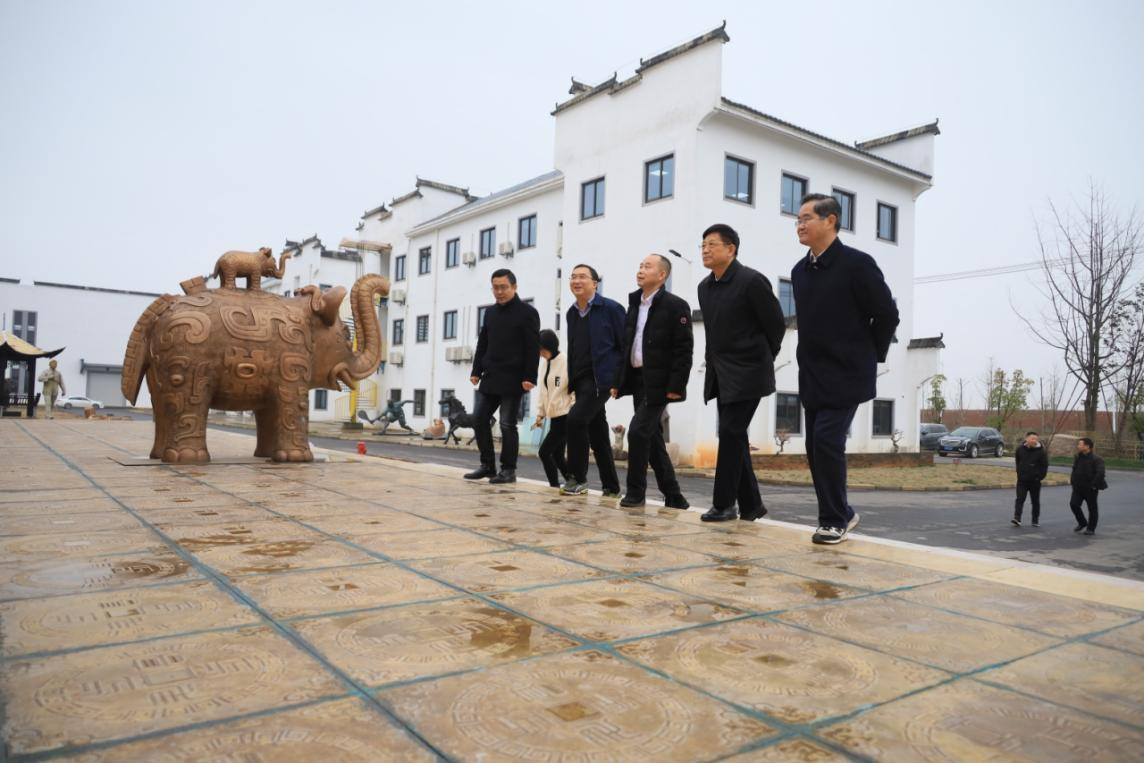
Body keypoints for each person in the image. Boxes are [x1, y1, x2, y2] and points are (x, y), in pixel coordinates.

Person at [791, 193, 899, 544]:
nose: (800, 225)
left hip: (847, 372)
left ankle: (833, 519)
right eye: (798, 219)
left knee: (827, 441)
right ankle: (843, 513)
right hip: (813, 373)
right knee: (815, 447)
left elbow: (886, 314)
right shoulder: (799, 271)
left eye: (807, 218)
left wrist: (870, 354)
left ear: (831, 220)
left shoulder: (857, 264)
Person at [697, 224, 786, 522]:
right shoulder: (704, 287)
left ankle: (724, 504)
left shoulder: (751, 281)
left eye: (712, 244)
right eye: (703, 245)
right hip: (721, 373)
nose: (705, 250)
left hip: (749, 371)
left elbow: (775, 325)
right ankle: (751, 505)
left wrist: (762, 357)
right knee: (733, 434)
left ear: (731, 249)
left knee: (730, 431)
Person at [611, 254, 692, 509]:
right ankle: (674, 495)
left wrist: (676, 386)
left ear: (662, 275)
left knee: (637, 432)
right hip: (637, 379)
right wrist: (618, 380)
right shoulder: (635, 304)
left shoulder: (676, 305)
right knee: (653, 437)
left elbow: (683, 349)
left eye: (647, 266)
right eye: (640, 266)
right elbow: (627, 346)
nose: (641, 270)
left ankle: (636, 493)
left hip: (659, 382)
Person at [465, 268, 540, 484]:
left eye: (503, 287)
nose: (499, 292)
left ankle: (508, 470)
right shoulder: (490, 313)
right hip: (491, 376)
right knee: (479, 419)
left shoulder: (527, 312)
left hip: (514, 378)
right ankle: (487, 466)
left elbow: (532, 347)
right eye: (495, 288)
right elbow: (483, 343)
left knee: (507, 424)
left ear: (514, 287)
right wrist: (476, 370)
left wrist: (530, 376)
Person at [561, 264, 624, 497]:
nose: (576, 281)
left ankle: (577, 478)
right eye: (573, 277)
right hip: (581, 381)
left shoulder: (611, 309)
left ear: (595, 283)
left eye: (582, 277)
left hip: (602, 380)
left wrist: (620, 380)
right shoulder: (571, 313)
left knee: (575, 419)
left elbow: (624, 345)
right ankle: (612, 486)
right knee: (597, 433)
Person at [533, 329, 573, 488]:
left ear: (551, 346)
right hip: (554, 417)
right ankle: (573, 482)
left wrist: (574, 409)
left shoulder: (565, 361)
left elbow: (573, 388)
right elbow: (543, 391)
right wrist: (540, 414)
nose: (540, 354)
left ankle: (554, 485)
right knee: (557, 455)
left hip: (565, 415)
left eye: (542, 350)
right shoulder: (545, 364)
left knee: (544, 452)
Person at [1069, 437, 1106, 536]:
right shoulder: (1078, 457)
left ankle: (1091, 528)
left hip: (1090, 488)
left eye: (1080, 444)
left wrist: (1093, 485)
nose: (1078, 446)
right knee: (1073, 504)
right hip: (1078, 488)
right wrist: (1073, 481)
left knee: (1092, 508)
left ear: (1087, 446)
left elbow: (1100, 473)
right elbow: (1074, 470)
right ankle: (1082, 522)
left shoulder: (1097, 459)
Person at [1012, 431, 1048, 527]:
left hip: (1035, 481)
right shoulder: (1020, 449)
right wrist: (1019, 472)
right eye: (1032, 439)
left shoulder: (1041, 452)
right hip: (1022, 480)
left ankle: (1035, 520)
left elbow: (1044, 466)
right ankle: (1017, 518)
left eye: (1036, 439)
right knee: (1020, 499)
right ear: (1026, 439)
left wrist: (1039, 477)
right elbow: (1017, 461)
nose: (1034, 441)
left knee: (1035, 501)